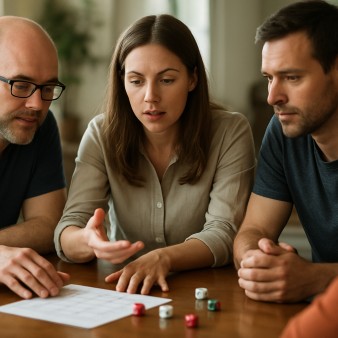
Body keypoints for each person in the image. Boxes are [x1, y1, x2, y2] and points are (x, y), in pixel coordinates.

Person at [54, 14, 256, 295]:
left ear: (192, 78)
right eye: (136, 81)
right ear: (122, 82)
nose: (151, 96)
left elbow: (224, 233)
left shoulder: (230, 131)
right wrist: (88, 241)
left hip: (206, 290)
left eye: (167, 80)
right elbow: (68, 229)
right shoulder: (101, 133)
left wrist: (164, 257)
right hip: (125, 290)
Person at [233, 0, 338, 303]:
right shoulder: (283, 132)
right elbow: (253, 229)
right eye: (269, 78)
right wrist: (259, 262)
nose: (272, 97)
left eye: (292, 77)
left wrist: (315, 278)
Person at [0, 16, 69, 299]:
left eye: (48, 88)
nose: (37, 104)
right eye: (21, 84)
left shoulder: (40, 126)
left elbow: (48, 224)